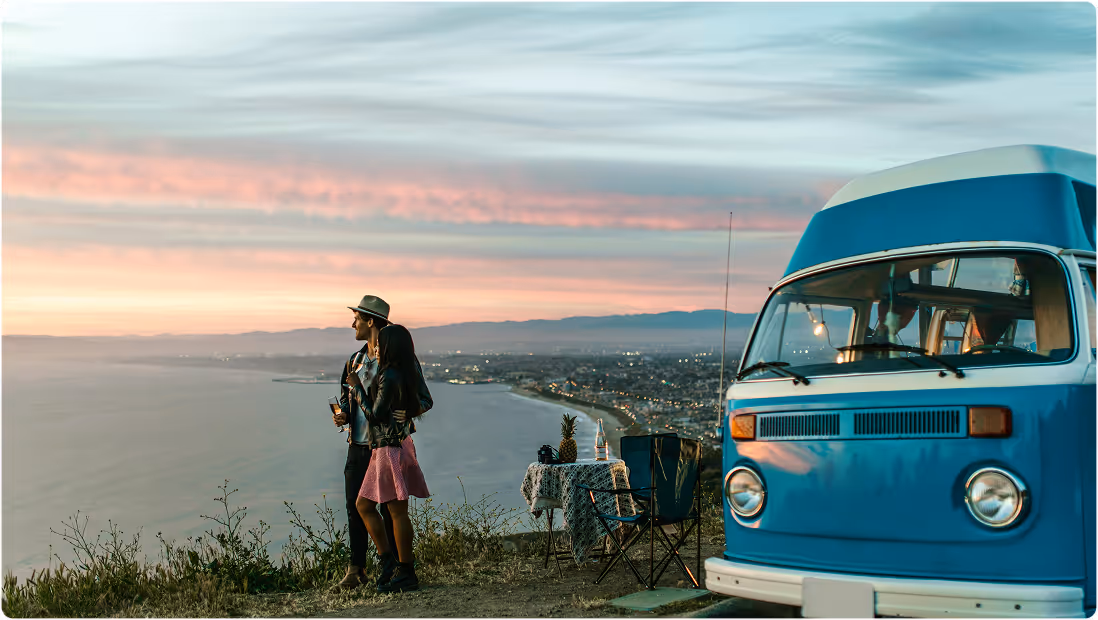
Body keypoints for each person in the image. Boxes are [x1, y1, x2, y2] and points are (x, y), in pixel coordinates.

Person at [331, 295, 433, 591]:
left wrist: (409, 412)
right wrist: (343, 416)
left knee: (390, 509)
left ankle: (396, 567)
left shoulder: (397, 359)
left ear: (370, 320)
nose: (353, 324)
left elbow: (423, 398)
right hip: (359, 446)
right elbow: (348, 402)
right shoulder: (355, 360)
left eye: (357, 319)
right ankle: (358, 569)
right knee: (356, 506)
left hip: (388, 445)